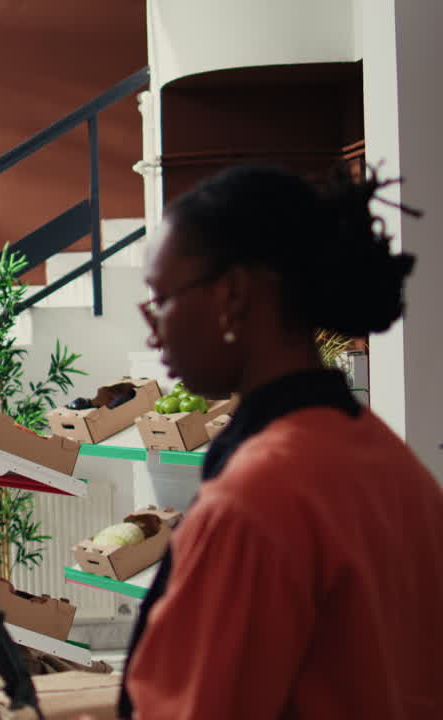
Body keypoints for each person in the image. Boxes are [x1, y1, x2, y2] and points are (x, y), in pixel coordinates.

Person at [121, 165, 443, 719]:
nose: (153, 328)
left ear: (233, 295)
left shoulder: (254, 503)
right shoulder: (395, 466)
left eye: (161, 298)